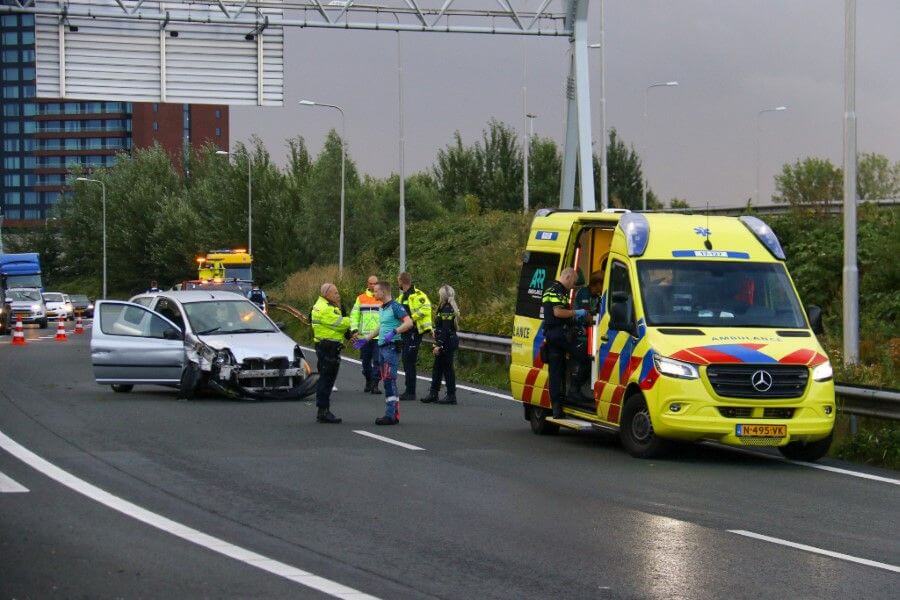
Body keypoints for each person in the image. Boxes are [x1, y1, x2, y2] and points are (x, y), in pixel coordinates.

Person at [541, 267, 591, 418]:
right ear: (568, 277)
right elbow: (557, 312)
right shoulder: (556, 290)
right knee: (586, 357)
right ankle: (574, 391)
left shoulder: (553, 289)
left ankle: (557, 408)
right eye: (574, 282)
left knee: (556, 371)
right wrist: (577, 313)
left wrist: (574, 320)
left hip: (552, 335)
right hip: (559, 334)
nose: (573, 286)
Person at [364, 281, 414, 425]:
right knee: (386, 380)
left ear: (384, 292)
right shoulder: (382, 308)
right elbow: (381, 326)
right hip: (382, 347)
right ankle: (391, 414)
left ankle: (391, 415)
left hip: (391, 348)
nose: (374, 294)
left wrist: (394, 332)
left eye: (376, 291)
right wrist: (366, 339)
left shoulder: (395, 307)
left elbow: (409, 323)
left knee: (389, 380)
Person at [310, 283, 352, 424]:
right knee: (327, 379)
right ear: (326, 294)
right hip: (328, 347)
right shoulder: (326, 308)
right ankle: (323, 411)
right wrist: (351, 320)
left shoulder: (321, 305)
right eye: (335, 293)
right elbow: (340, 324)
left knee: (326, 378)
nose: (338, 295)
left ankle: (323, 410)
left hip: (324, 345)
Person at [421, 285, 460, 405]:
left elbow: (446, 329)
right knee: (437, 368)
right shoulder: (443, 308)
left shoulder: (447, 309)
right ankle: (434, 393)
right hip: (445, 340)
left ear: (442, 295)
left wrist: (439, 345)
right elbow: (441, 328)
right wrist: (435, 332)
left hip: (447, 342)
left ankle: (451, 395)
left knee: (447, 369)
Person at [397, 272, 433, 401]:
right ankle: (409, 390)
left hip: (414, 332)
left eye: (398, 281)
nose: (398, 284)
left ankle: (411, 392)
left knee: (409, 361)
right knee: (406, 361)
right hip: (405, 333)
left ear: (401, 281)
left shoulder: (418, 295)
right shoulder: (402, 297)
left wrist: (411, 319)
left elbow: (425, 309)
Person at [349, 275, 382, 394]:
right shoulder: (361, 298)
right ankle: (369, 380)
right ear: (367, 284)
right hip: (363, 337)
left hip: (379, 336)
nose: (373, 286)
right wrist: (354, 330)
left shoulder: (382, 298)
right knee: (365, 361)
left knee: (378, 361)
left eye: (375, 283)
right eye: (371, 283)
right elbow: (354, 315)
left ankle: (375, 384)